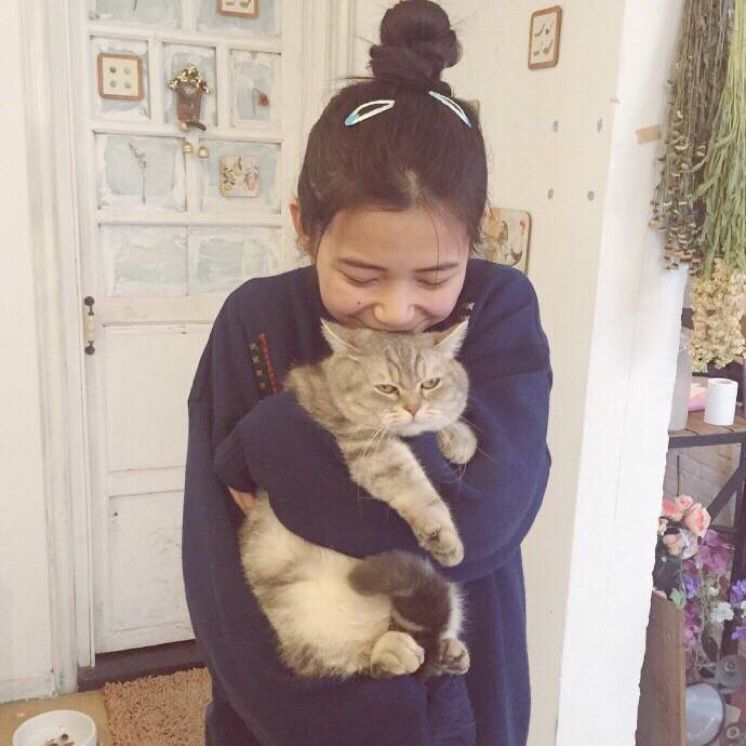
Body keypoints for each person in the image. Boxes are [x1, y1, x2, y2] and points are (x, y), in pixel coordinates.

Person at [182, 1, 552, 744]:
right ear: (304, 227)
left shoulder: (500, 308)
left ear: (477, 239)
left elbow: (476, 523)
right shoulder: (255, 319)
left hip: (462, 697)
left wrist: (276, 433)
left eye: (435, 276)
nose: (396, 310)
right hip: (293, 702)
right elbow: (218, 560)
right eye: (360, 274)